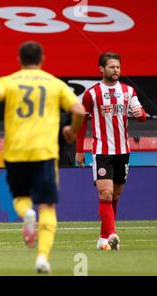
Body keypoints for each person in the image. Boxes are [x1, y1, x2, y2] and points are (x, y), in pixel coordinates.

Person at [0, 41, 85, 273]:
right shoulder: (55, 84)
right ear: (43, 58)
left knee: (21, 196)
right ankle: (42, 257)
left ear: (19, 60)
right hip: (44, 152)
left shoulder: (9, 81)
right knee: (47, 205)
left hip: (16, 151)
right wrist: (71, 130)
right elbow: (78, 110)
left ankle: (27, 214)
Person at [75, 52, 146, 251]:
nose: (116, 70)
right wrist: (80, 150)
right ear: (101, 69)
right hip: (101, 151)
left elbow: (139, 114)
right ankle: (113, 233)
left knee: (115, 195)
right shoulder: (92, 93)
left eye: (118, 67)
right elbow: (82, 122)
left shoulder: (128, 91)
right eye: (112, 67)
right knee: (105, 194)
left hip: (123, 151)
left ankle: (103, 238)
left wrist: (140, 115)